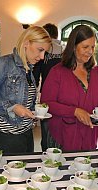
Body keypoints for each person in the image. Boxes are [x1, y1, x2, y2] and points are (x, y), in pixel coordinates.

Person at [0, 26, 52, 153]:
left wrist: (34, 111)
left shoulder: (28, 67)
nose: (42, 56)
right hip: (8, 136)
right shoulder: (3, 63)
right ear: (26, 43)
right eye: (40, 50)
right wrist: (12, 107)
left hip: (26, 131)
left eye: (44, 52)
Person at [41, 25, 98, 151]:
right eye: (85, 47)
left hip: (89, 135)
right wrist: (74, 111)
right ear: (73, 47)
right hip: (62, 136)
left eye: (93, 47)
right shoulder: (57, 72)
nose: (90, 51)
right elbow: (46, 103)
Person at [32, 23, 63, 151]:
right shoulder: (65, 50)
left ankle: (46, 152)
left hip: (47, 95)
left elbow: (35, 76)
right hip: (64, 97)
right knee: (61, 127)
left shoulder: (42, 51)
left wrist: (34, 95)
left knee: (46, 128)